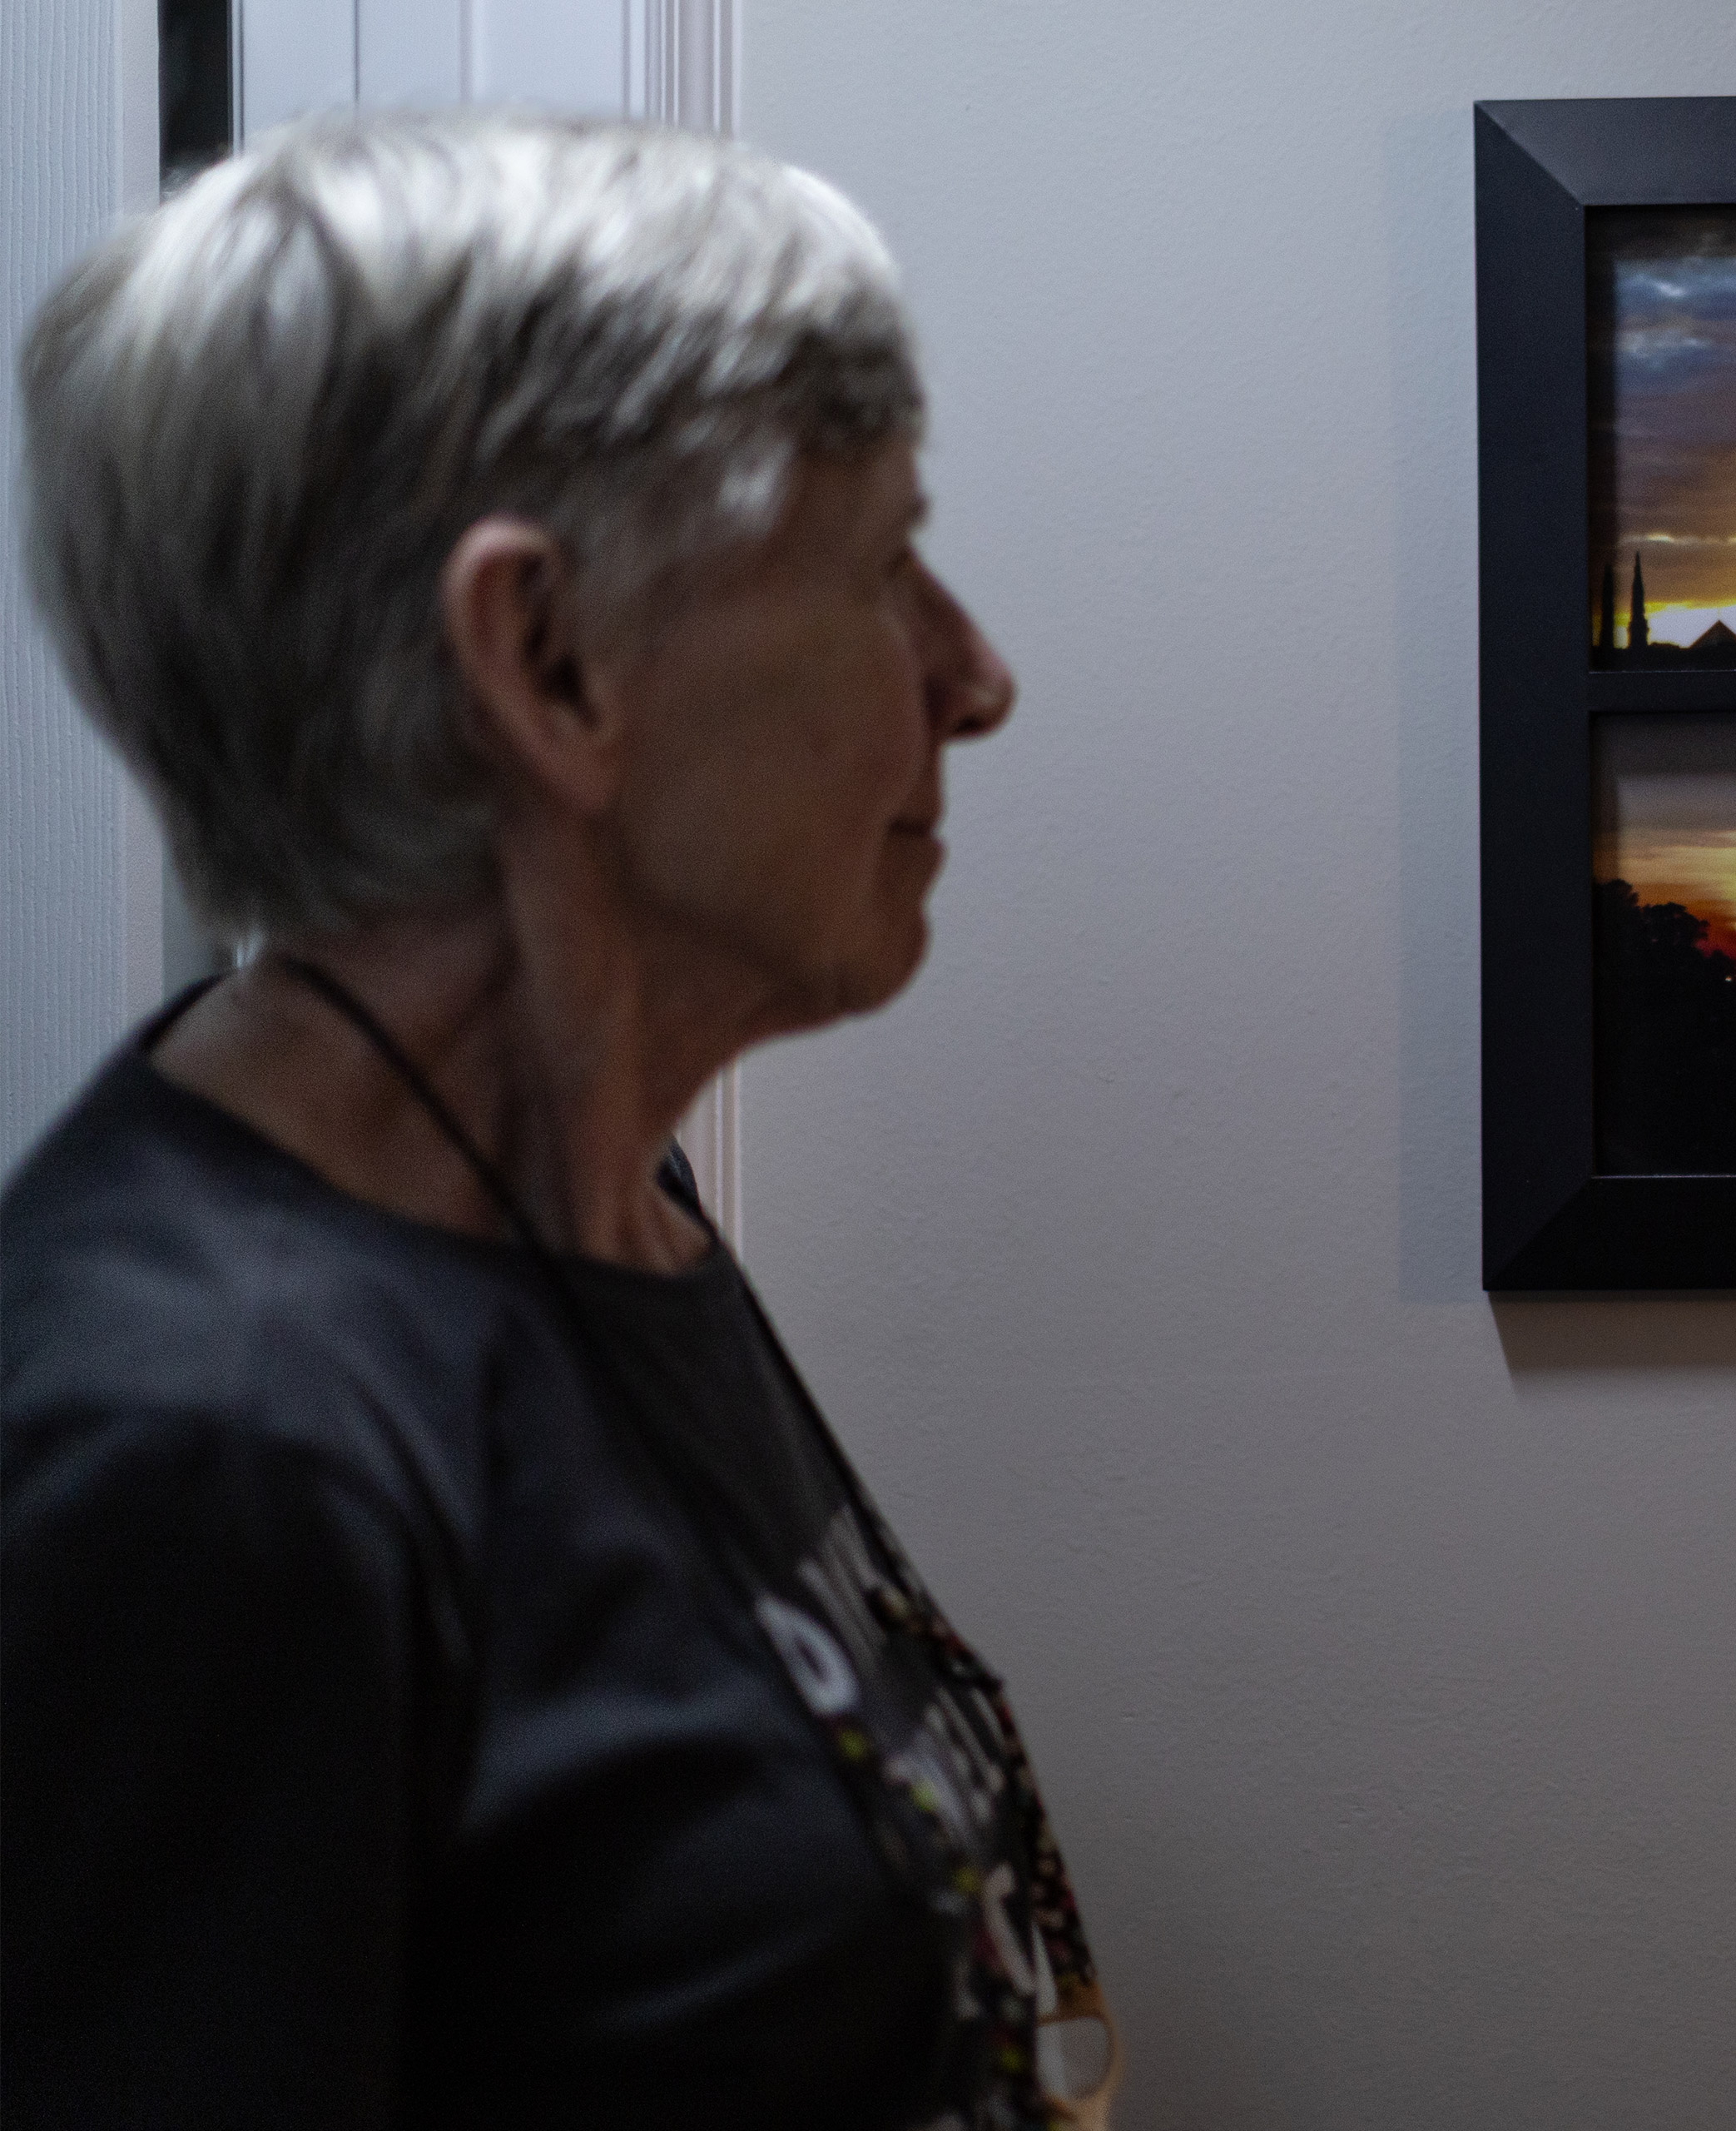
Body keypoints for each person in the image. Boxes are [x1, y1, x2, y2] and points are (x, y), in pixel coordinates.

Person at [2, 109, 1115, 2129]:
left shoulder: (604, 1206)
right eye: (883, 563)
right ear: (548, 662)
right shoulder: (206, 1447)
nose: (974, 674)